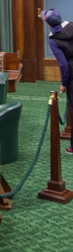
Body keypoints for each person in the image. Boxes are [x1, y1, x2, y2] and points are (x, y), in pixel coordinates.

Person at [41, 8, 73, 155]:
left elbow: (63, 65)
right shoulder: (71, 25)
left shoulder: (53, 40)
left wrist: (63, 84)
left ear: (48, 25)